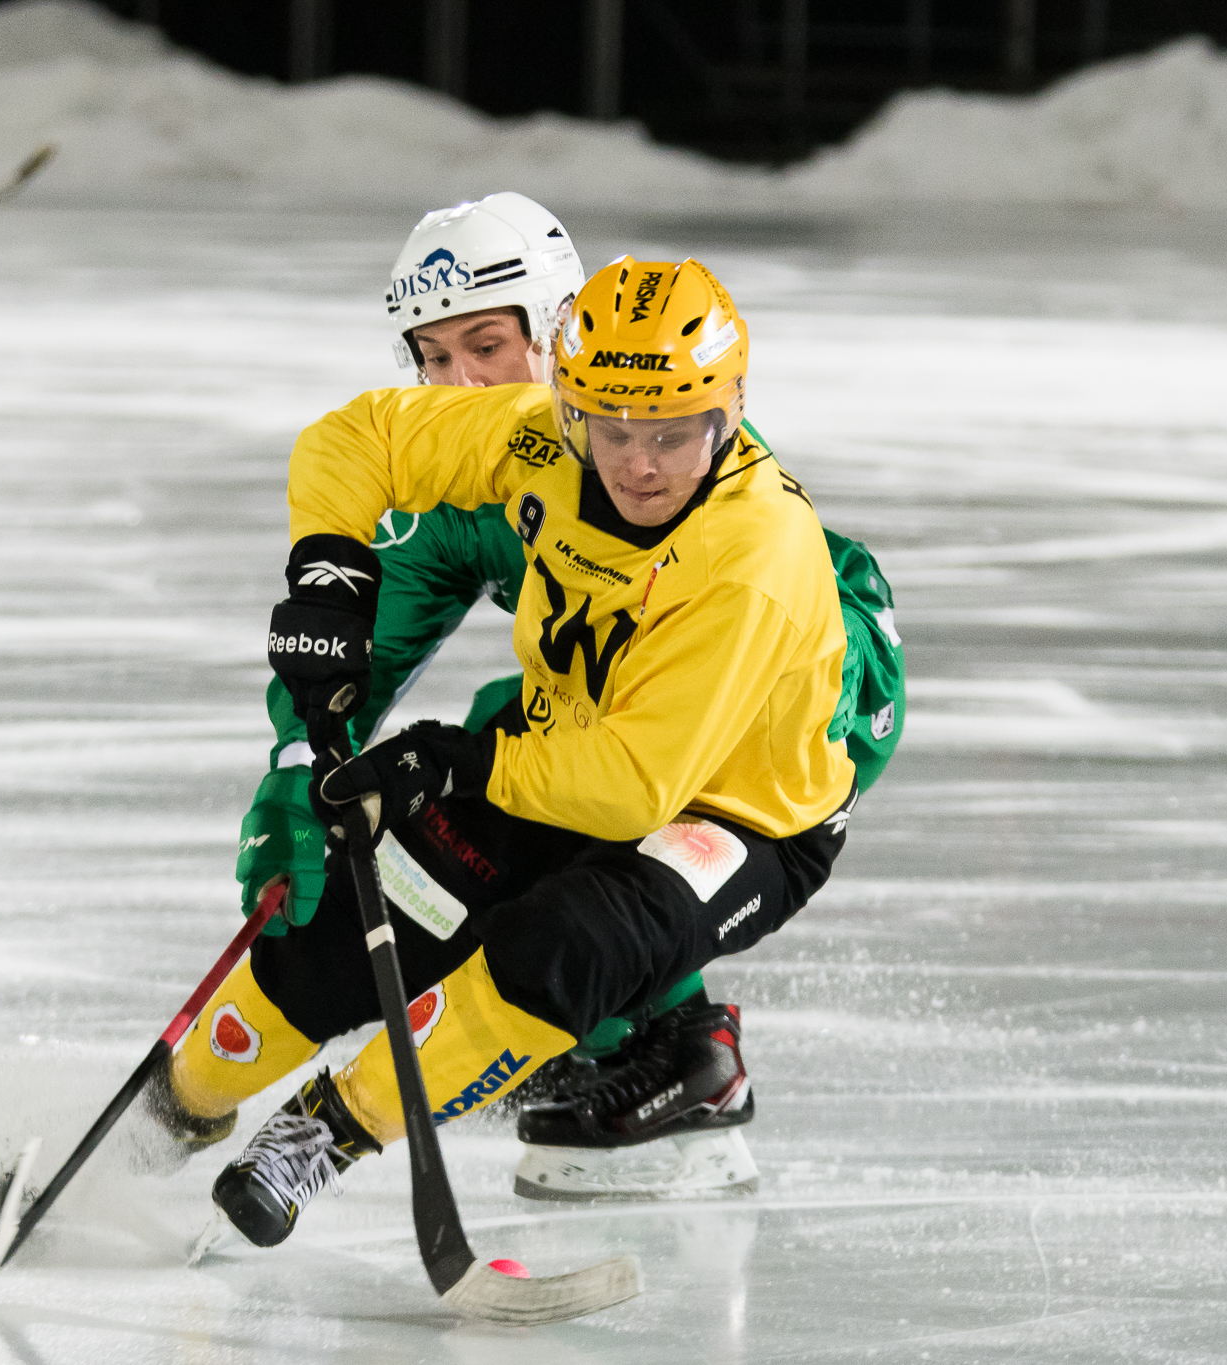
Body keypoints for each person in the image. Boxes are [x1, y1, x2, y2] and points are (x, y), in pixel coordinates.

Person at [159, 250, 889, 1251]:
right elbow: (355, 438)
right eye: (609, 429)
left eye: (674, 433)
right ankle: (175, 1103)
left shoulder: (754, 555)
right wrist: (328, 574)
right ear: (567, 406)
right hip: (568, 743)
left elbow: (635, 789)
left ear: (731, 412)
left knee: (564, 944)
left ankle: (327, 1133)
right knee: (372, 906)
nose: (638, 465)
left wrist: (449, 764)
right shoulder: (542, 436)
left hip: (740, 812)